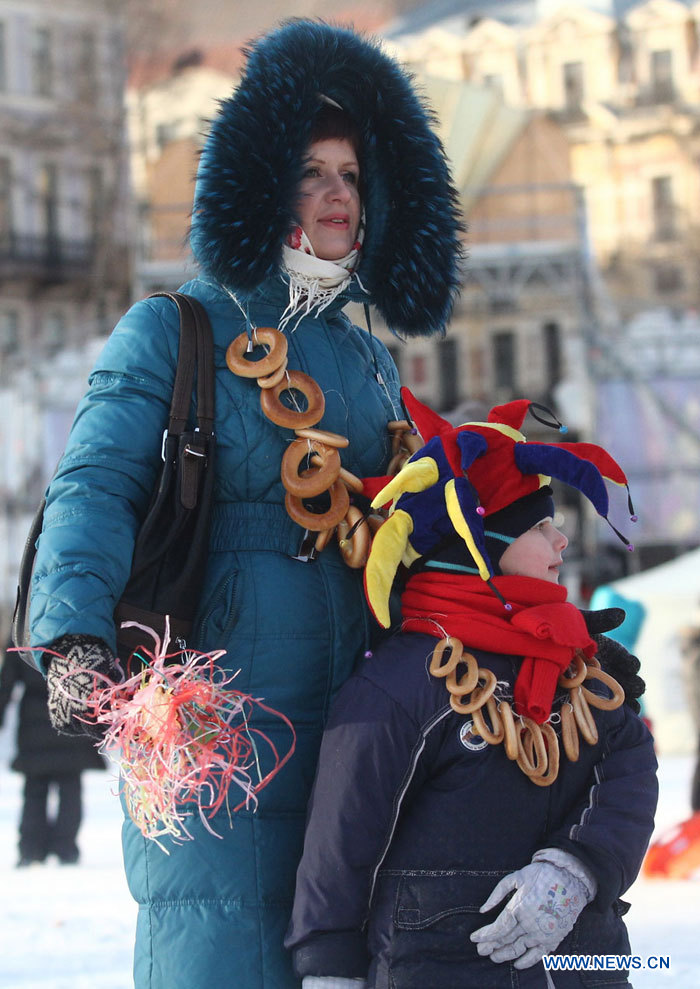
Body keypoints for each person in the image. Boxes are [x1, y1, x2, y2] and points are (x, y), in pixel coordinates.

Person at [27, 20, 462, 989]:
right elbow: (94, 485)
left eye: (351, 173)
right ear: (261, 186)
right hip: (212, 698)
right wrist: (73, 637)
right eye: (310, 171)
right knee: (216, 932)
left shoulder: (365, 356)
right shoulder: (172, 327)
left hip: (357, 705)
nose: (336, 192)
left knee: (336, 946)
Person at [286, 391, 658, 989]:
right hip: (440, 968)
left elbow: (631, 764)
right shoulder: (403, 682)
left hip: (586, 961)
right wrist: (327, 968)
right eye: (540, 527)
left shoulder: (583, 669)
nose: (561, 542)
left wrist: (578, 868)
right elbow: (343, 837)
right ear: (479, 547)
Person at [0, 641, 105, 867]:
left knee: (34, 790)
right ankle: (65, 848)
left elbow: (6, 679)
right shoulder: (73, 631)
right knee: (70, 789)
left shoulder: (26, 628)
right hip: (70, 717)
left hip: (33, 725)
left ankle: (31, 848)